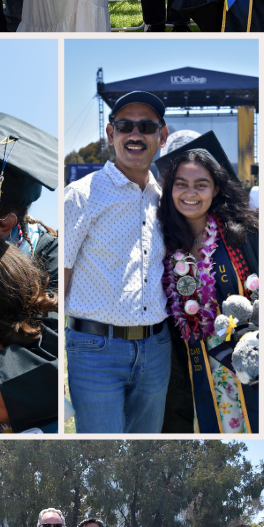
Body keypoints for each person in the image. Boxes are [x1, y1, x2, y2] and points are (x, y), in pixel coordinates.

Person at [63, 90, 171, 432]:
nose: (135, 134)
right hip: (95, 351)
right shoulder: (81, 196)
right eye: (125, 125)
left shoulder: (167, 200)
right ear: (111, 135)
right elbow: (59, 276)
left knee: (144, 456)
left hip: (156, 349)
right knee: (101, 456)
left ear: (162, 136)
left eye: (146, 126)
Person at [157, 134, 257, 434]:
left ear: (216, 188)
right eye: (181, 184)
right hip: (190, 367)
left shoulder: (244, 234)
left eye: (201, 184)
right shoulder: (162, 241)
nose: (191, 193)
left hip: (243, 359)